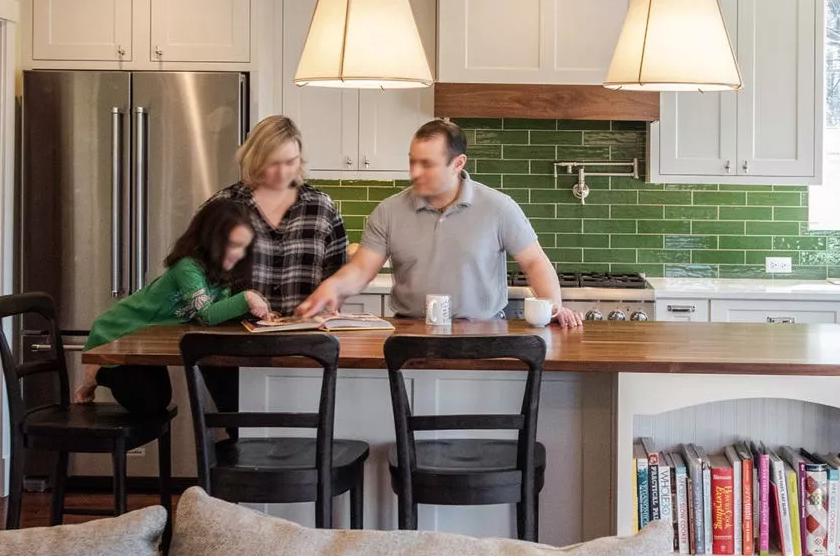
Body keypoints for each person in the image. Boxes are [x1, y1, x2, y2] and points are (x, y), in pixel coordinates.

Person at [296, 120, 583, 328]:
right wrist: (334, 287)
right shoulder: (389, 211)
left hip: (484, 334)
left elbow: (534, 262)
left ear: (458, 164)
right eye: (412, 162)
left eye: (427, 164)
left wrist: (552, 307)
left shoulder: (498, 207)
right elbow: (362, 268)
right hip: (410, 333)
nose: (414, 173)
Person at [76, 200, 271, 412]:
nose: (240, 254)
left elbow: (217, 311)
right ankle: (95, 374)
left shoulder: (218, 274)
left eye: (244, 247)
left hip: (150, 337)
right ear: (210, 240)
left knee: (158, 400)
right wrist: (247, 298)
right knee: (149, 402)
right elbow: (207, 315)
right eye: (234, 245)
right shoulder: (187, 267)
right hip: (120, 332)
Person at [210, 115, 349, 317]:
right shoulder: (222, 207)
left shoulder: (322, 209)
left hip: (306, 339)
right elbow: (196, 280)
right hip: (235, 339)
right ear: (254, 159)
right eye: (273, 163)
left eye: (290, 162)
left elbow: (338, 275)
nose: (283, 173)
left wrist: (330, 302)